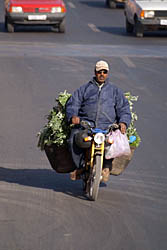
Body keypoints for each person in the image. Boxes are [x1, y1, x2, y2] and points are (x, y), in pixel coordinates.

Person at [66, 60, 131, 182]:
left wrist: (123, 122)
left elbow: (124, 108)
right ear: (95, 72)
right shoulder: (85, 89)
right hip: (87, 125)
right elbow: (73, 103)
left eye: (104, 72)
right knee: (73, 139)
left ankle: (106, 166)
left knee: (113, 143)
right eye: (99, 72)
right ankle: (80, 167)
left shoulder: (114, 91)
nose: (102, 74)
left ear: (107, 73)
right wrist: (73, 116)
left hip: (107, 127)